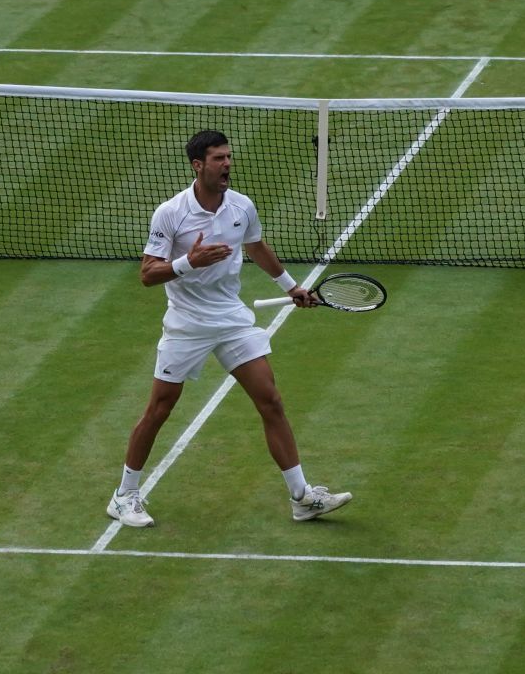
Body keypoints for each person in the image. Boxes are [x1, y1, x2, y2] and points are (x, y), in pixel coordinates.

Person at [108, 129, 352, 528]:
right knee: (160, 409)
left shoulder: (241, 206)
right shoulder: (170, 213)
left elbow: (256, 247)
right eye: (219, 159)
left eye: (228, 157)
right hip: (187, 325)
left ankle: (302, 498)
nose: (227, 165)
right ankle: (123, 496)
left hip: (232, 319)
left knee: (270, 400)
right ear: (197, 165)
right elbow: (148, 275)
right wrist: (190, 262)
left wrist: (291, 287)